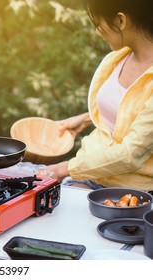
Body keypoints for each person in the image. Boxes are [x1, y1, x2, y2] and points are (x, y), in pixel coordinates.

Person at [48, 0, 153, 192]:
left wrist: (63, 169)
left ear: (121, 21)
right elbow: (132, 108)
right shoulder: (118, 58)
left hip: (133, 189)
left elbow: (131, 154)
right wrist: (88, 117)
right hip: (90, 174)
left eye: (98, 24)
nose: (97, 32)